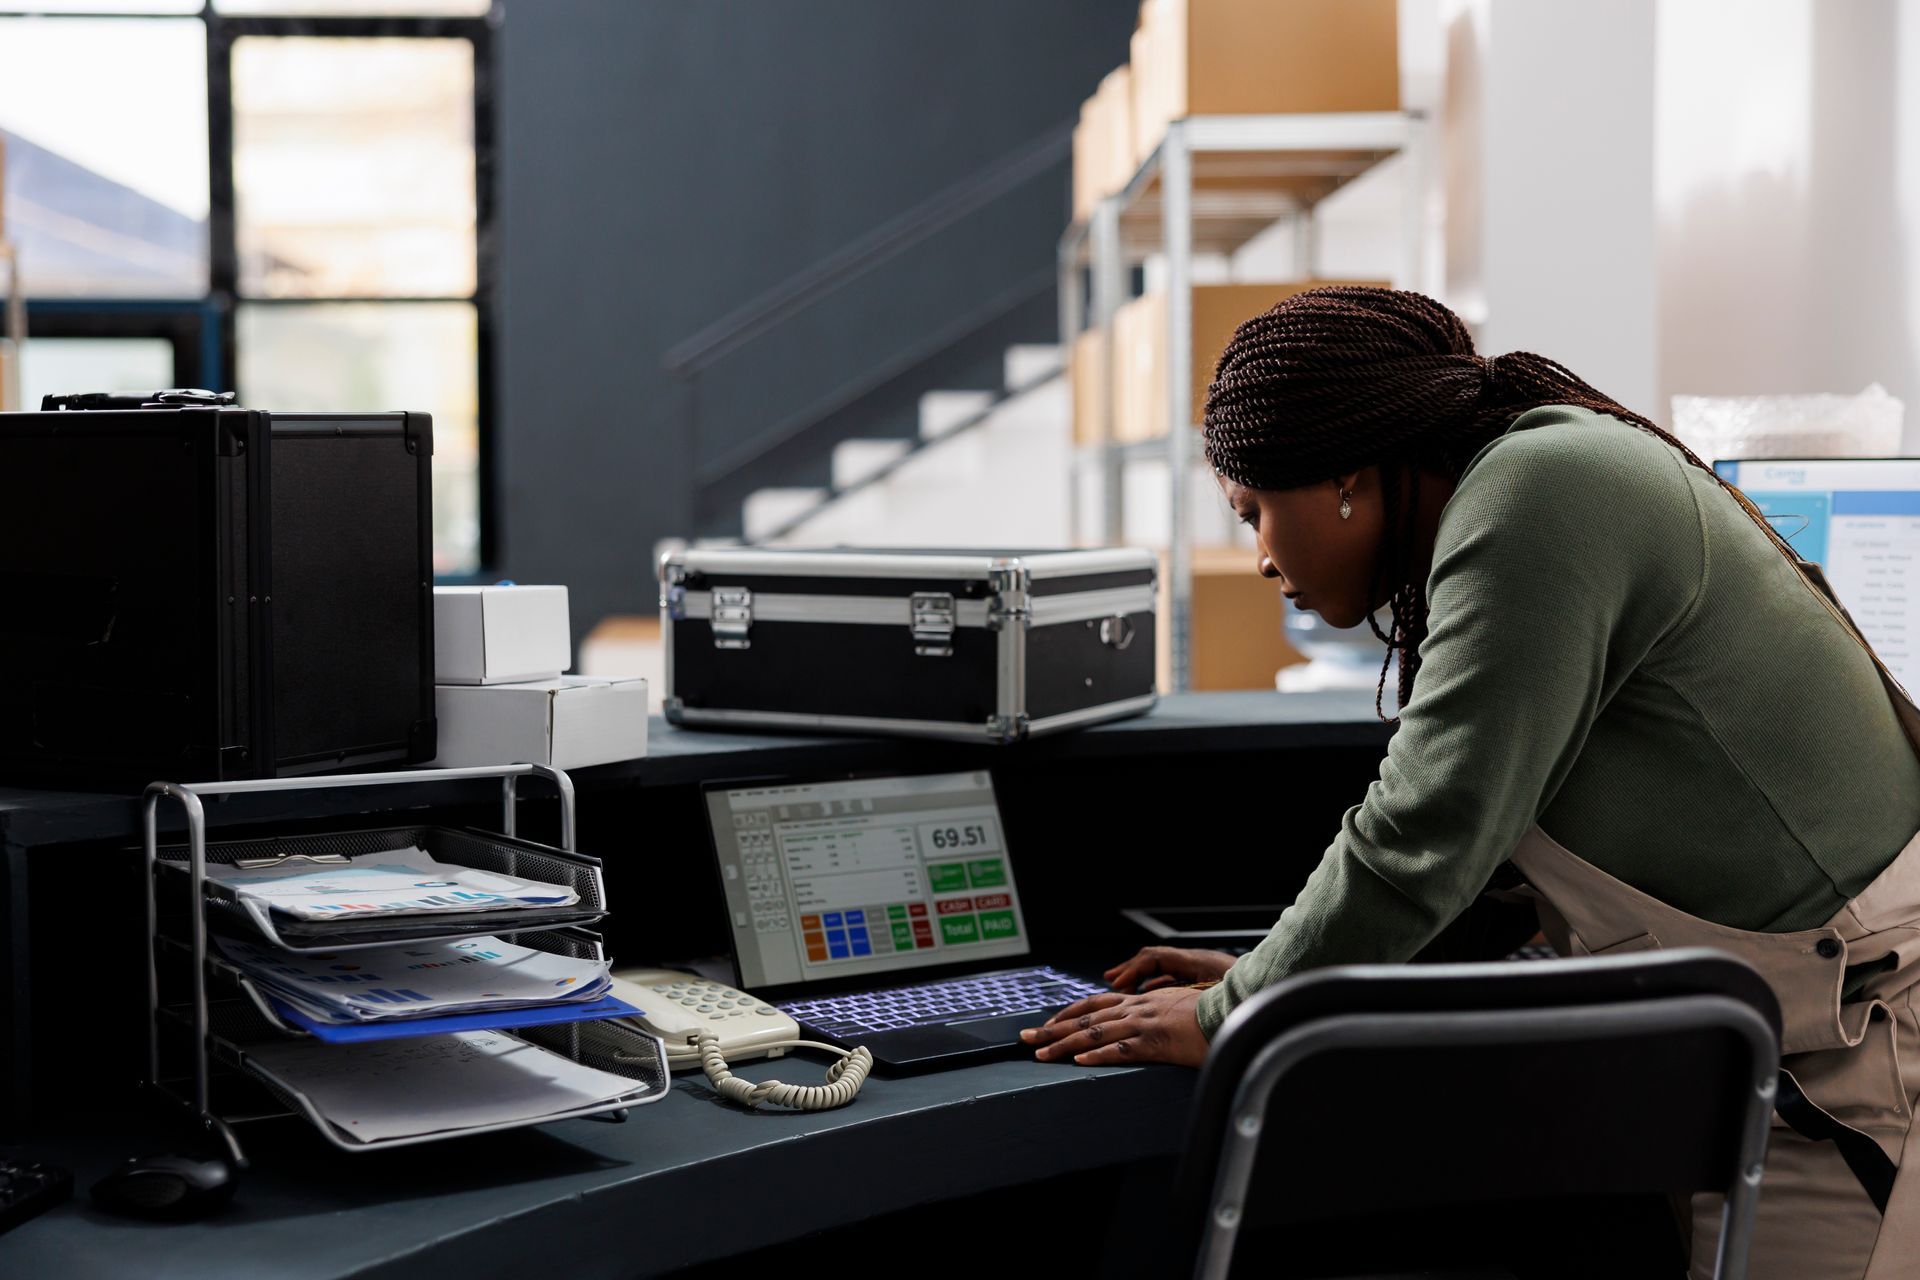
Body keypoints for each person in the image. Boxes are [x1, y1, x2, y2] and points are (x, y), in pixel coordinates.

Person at [1019, 287, 1920, 1278]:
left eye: (1257, 511)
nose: (1265, 557)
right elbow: (1477, 849)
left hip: (1860, 1060)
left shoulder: (1540, 488)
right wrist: (1261, 974)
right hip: (1791, 1031)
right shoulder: (1538, 477)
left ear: (1348, 475)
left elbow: (1427, 825)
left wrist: (1237, 1014)